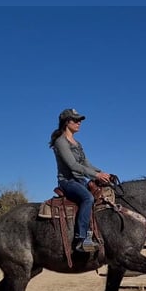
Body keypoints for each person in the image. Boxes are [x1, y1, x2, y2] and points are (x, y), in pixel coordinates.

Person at [49, 108, 113, 252]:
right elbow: (73, 165)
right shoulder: (61, 142)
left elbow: (86, 164)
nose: (79, 123)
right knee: (88, 198)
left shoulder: (77, 144)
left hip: (80, 181)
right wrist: (95, 176)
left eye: (80, 120)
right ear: (66, 122)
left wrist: (102, 173)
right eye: (76, 120)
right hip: (67, 182)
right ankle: (81, 239)